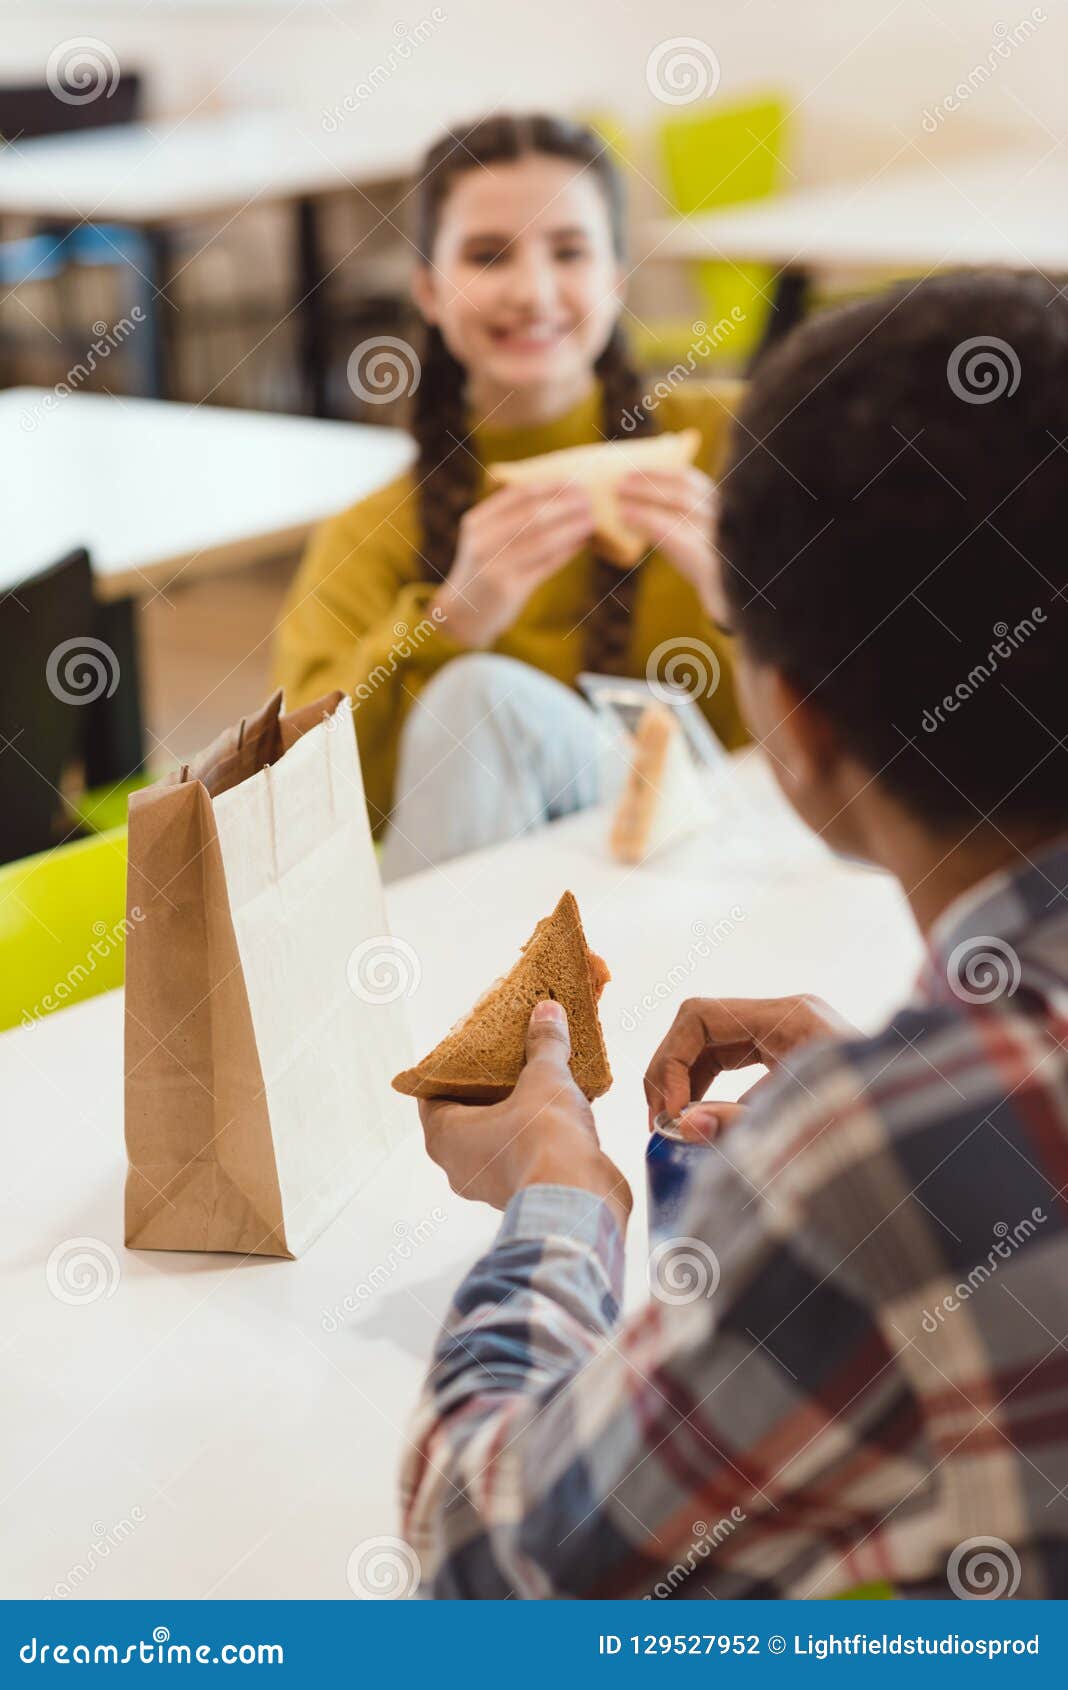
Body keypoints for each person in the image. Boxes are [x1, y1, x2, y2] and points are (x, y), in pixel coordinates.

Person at [399, 272, 1068, 1598]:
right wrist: (923, 1094)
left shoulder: (867, 1165)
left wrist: (557, 1191)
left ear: (792, 725)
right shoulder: (911, 1131)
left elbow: (494, 1572)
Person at [274, 113, 747, 878]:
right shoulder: (370, 531)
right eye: (488, 255)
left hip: (735, 859)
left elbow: (880, 698)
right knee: (478, 699)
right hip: (514, 900)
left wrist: (746, 594)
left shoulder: (737, 440)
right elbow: (299, 807)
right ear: (428, 289)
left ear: (616, 280)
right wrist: (449, 623)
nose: (532, 291)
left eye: (569, 252)